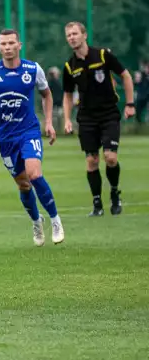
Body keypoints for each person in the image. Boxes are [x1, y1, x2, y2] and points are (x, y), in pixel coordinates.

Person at [0, 29, 65, 247]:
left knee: (34, 174)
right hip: (6, 137)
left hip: (29, 131)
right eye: (3, 44)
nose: (7, 47)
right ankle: (36, 221)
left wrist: (48, 122)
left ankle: (56, 220)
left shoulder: (32, 69)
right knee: (23, 184)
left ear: (19, 45)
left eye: (11, 43)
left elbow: (46, 94)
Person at [62, 21, 135, 216]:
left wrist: (129, 104)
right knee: (92, 161)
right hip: (86, 118)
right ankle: (97, 204)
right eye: (68, 35)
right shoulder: (70, 66)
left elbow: (126, 76)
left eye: (75, 33)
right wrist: (67, 119)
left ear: (84, 35)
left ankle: (114, 192)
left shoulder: (103, 55)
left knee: (110, 158)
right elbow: (68, 95)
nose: (72, 37)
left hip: (109, 114)